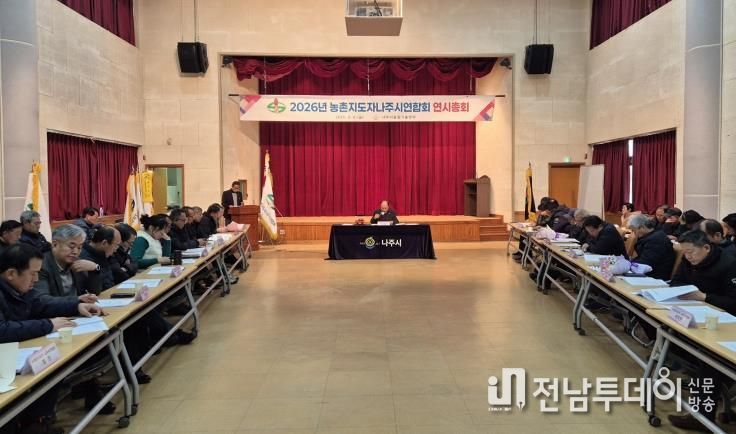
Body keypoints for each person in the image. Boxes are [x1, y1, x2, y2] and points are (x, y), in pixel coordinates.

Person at [0, 244, 105, 434]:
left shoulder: (20, 289)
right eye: (32, 274)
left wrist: (76, 305)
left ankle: (37, 423)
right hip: (6, 363)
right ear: (11, 274)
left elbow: (42, 303)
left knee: (54, 365)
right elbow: (2, 330)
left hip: (14, 356)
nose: (36, 279)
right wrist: (48, 324)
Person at [668, 230, 736, 431]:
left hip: (723, 321)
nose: (687, 257)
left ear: (706, 247)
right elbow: (676, 281)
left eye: (691, 252)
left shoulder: (729, 264)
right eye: (685, 253)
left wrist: (705, 297)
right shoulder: (689, 259)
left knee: (710, 359)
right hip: (698, 315)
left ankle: (702, 417)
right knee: (669, 334)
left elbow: (734, 302)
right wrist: (686, 293)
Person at [35, 225, 100, 302]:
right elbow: (43, 300)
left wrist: (95, 269)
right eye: (71, 246)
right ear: (55, 244)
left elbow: (94, 292)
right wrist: (76, 300)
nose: (75, 252)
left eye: (79, 247)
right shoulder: (41, 266)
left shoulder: (77, 263)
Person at [627, 214, 676, 280]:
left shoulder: (657, 240)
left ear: (642, 227)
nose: (634, 233)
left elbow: (645, 264)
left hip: (655, 278)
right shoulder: (653, 235)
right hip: (649, 272)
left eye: (634, 230)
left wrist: (627, 264)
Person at [78, 226, 121, 291]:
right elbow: (97, 288)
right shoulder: (84, 258)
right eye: (116, 245)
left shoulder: (104, 254)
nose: (116, 250)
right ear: (104, 243)